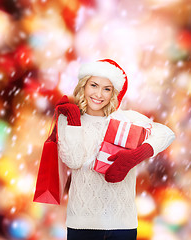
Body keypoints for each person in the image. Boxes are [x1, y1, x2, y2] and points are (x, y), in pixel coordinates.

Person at [55, 59, 175, 240]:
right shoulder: (68, 119)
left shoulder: (126, 119)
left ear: (114, 93)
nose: (98, 94)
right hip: (83, 222)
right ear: (83, 85)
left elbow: (166, 133)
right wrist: (74, 122)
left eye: (107, 88)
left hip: (122, 222)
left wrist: (136, 155)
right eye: (93, 85)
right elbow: (74, 160)